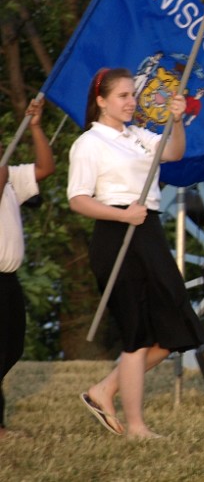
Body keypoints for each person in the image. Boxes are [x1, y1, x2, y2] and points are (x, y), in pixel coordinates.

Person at [68, 67, 204, 439]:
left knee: (177, 328)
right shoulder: (89, 144)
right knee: (137, 334)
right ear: (101, 101)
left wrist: (177, 120)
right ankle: (136, 427)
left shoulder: (137, 135)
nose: (132, 102)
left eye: (133, 95)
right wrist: (122, 214)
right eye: (123, 96)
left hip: (148, 231)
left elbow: (174, 154)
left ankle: (104, 390)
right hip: (117, 235)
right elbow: (78, 199)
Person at [0, 99, 56, 438]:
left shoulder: (10, 178)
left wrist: (35, 128)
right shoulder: (3, 175)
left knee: (12, 346)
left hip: (8, 277)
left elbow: (45, 168)